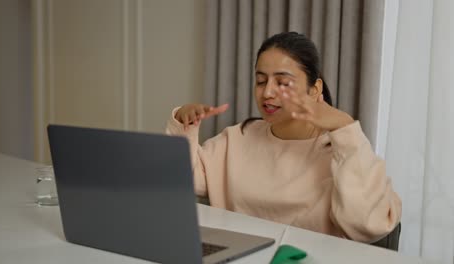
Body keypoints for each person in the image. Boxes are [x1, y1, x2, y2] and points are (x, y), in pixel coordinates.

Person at [165, 32, 401, 242]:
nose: (267, 92)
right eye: (261, 81)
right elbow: (183, 177)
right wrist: (185, 123)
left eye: (283, 82)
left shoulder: (342, 151)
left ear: (315, 89)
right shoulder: (238, 138)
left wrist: (344, 126)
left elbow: (368, 225)